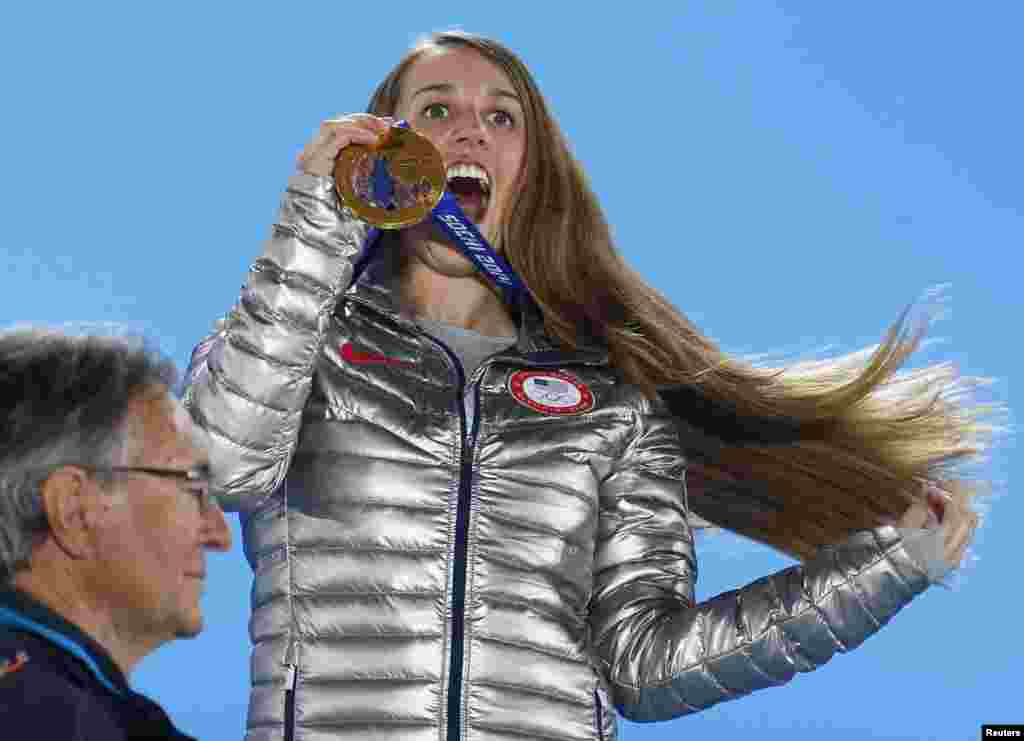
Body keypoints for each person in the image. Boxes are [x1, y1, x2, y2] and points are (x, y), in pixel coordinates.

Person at [184, 31, 983, 741]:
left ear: (530, 172)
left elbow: (647, 665)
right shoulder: (298, 344)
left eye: (502, 118)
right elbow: (223, 462)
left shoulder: (611, 401)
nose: (469, 128)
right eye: (434, 111)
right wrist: (315, 222)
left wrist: (884, 569)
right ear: (382, 151)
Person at [0, 328, 233, 740]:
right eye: (193, 487)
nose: (219, 535)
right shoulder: (45, 718)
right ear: (74, 507)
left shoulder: (85, 712)